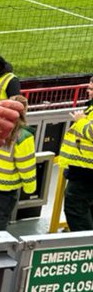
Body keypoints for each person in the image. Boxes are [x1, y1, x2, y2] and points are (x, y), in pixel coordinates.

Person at [0, 94, 36, 235]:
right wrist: (30, 188)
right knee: (0, 219)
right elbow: (26, 165)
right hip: (8, 186)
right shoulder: (24, 136)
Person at [57, 75, 93, 232]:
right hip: (82, 169)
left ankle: (85, 246)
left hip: (87, 172)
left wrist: (80, 121)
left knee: (75, 207)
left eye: (91, 88)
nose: (87, 90)